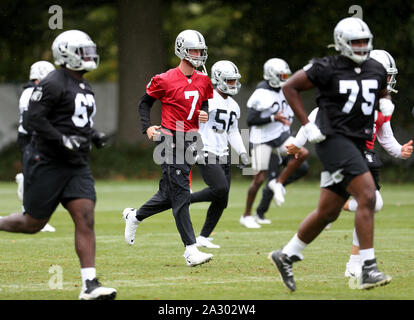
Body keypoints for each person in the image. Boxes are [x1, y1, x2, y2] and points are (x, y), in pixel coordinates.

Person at [268, 17, 393, 291]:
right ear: (341, 43)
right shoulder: (327, 67)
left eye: (364, 42)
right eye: (355, 42)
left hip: (357, 143)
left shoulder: (375, 68)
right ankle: (367, 269)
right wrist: (307, 123)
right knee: (368, 195)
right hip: (332, 139)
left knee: (329, 211)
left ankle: (286, 254)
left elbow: (381, 88)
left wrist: (385, 102)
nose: (360, 47)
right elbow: (290, 87)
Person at [0, 30, 115, 300]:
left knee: (85, 217)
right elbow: (33, 120)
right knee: (33, 223)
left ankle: (90, 285)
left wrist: (93, 134)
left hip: (77, 165)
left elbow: (77, 122)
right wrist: (61, 139)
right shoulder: (52, 82)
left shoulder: (85, 86)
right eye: (83, 51)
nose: (89, 56)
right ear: (67, 54)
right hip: (48, 162)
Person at [122, 29, 214, 266]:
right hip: (170, 139)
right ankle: (190, 250)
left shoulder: (204, 80)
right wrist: (148, 127)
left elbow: (202, 105)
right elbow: (144, 104)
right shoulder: (164, 79)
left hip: (191, 139)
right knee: (182, 193)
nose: (199, 54)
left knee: (168, 195)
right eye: (194, 50)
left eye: (200, 50)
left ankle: (135, 216)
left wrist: (204, 114)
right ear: (182, 50)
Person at [341, 49, 413, 277]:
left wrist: (400, 150)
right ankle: (333, 205)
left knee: (369, 208)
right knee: (371, 204)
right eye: (387, 75)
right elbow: (319, 115)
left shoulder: (385, 102)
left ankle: (353, 265)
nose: (390, 81)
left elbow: (385, 136)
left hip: (369, 158)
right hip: (351, 154)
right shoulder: (353, 96)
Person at [240, 58, 309, 228]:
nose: (285, 78)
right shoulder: (262, 92)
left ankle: (278, 183)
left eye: (287, 75)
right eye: (282, 75)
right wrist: (273, 117)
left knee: (302, 153)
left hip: (279, 136)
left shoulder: (285, 88)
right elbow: (251, 119)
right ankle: (246, 215)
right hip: (260, 139)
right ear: (272, 75)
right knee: (258, 179)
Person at [190, 60, 250, 248]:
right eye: (230, 80)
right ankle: (184, 198)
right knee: (220, 188)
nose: (233, 84)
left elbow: (232, 132)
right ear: (219, 79)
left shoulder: (233, 105)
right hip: (205, 149)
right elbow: (192, 120)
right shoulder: (206, 98)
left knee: (222, 200)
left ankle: (203, 237)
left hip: (223, 153)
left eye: (234, 80)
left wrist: (242, 152)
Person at [15, 61, 56, 233]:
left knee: (44, 177)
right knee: (35, 179)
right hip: (31, 139)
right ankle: (32, 216)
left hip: (39, 139)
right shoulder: (30, 93)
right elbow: (28, 122)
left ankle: (36, 216)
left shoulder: (40, 91)